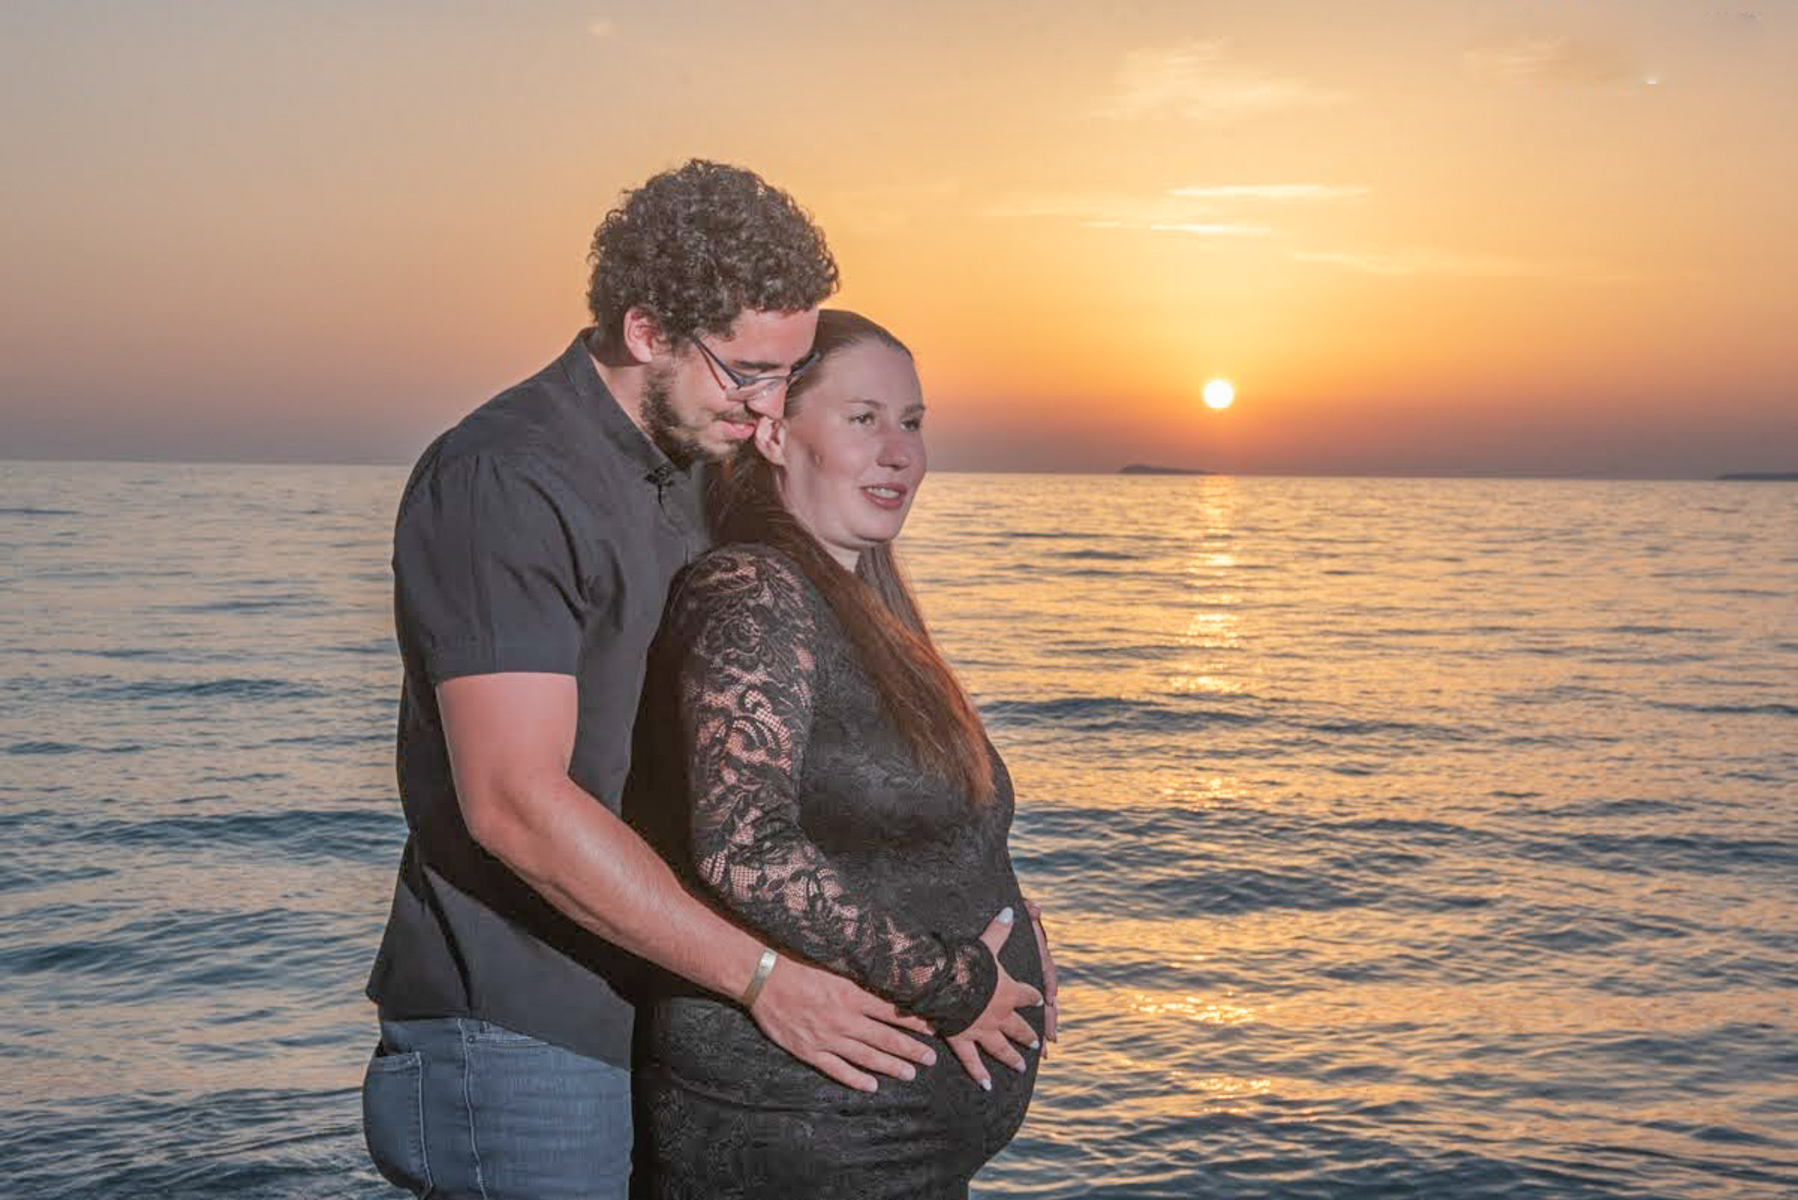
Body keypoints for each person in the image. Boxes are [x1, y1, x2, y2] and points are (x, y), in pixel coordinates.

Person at [358, 162, 1044, 1200]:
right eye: (748, 372)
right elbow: (514, 806)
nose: (769, 405)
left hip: (652, 1000)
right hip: (522, 1028)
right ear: (645, 333)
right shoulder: (507, 479)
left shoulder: (694, 461)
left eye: (790, 372)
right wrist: (762, 980)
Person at [628, 310, 1056, 1199]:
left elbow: (895, 830)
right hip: (799, 1139)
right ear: (777, 432)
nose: (900, 452)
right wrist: (957, 981)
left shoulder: (871, 610)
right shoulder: (751, 592)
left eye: (913, 422)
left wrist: (1016, 920)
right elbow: (742, 849)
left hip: (889, 1148)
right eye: (865, 419)